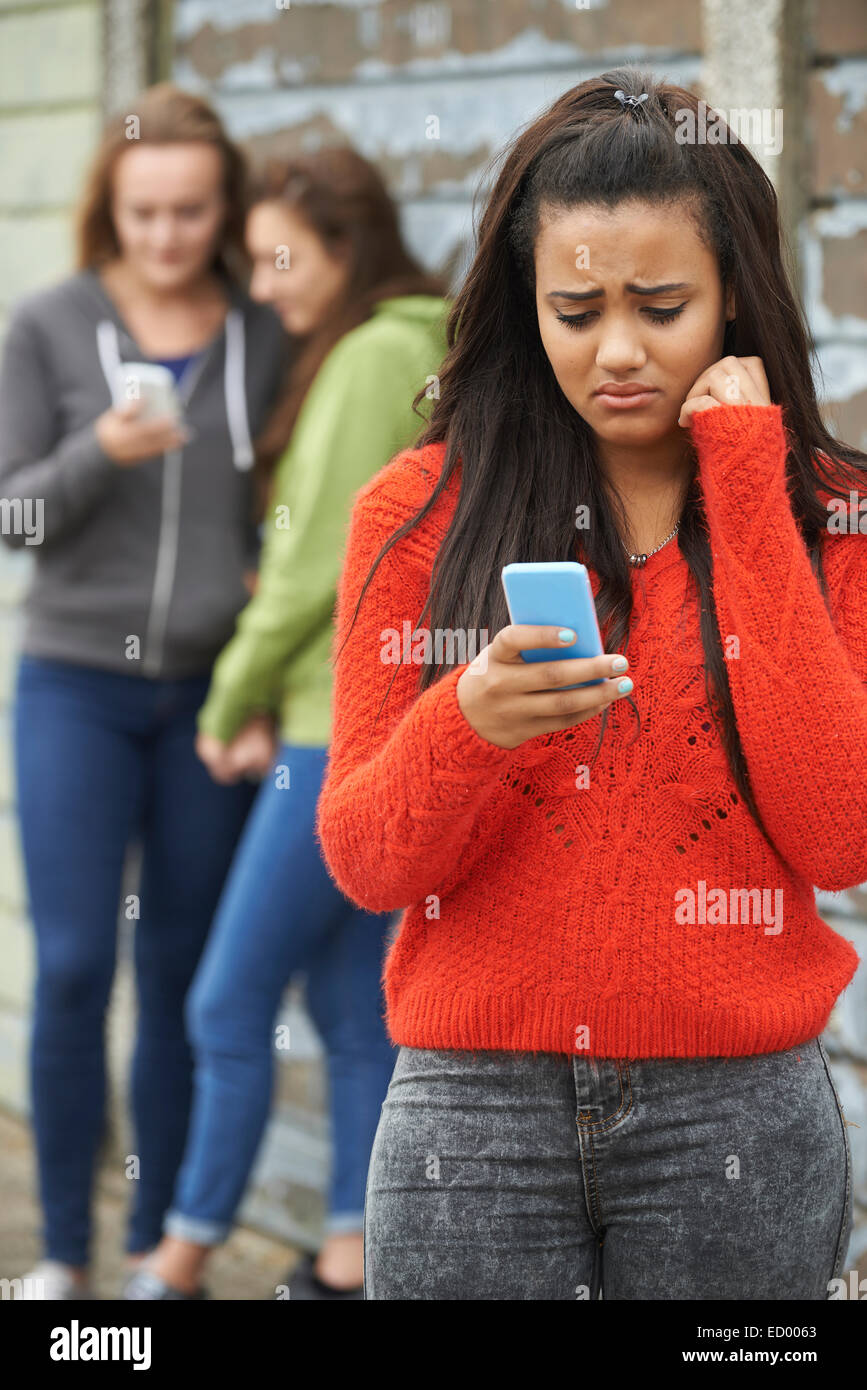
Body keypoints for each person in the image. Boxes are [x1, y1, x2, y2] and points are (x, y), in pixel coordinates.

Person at [315, 68, 867, 1300]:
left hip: (735, 1113)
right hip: (474, 1113)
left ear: (735, 297)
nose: (617, 350)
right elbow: (364, 858)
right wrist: (464, 723)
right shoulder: (415, 514)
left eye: (661, 305)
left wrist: (744, 474)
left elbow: (842, 835)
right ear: (529, 304)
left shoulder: (828, 515)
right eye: (575, 310)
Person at [122, 147, 450, 1300]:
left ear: (344, 247)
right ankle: (353, 1258)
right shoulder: (408, 344)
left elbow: (316, 567)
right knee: (358, 1008)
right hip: (364, 720)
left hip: (331, 730)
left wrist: (229, 703)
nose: (262, 286)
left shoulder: (372, 354)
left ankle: (178, 1259)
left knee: (226, 998)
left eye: (280, 258)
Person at [0, 83, 288, 1300]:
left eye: (189, 212)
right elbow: (15, 511)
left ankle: (153, 1260)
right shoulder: (49, 326)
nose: (166, 237)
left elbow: (294, 522)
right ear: (107, 209)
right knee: (73, 964)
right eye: (143, 213)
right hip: (75, 682)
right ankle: (63, 1251)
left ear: (221, 209)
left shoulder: (267, 332)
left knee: (178, 969)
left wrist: (266, 676)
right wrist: (93, 456)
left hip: (208, 704)